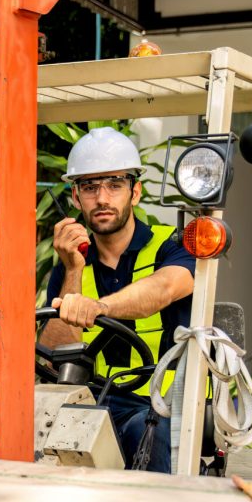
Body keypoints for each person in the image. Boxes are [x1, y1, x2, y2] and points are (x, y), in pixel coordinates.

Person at [42, 126, 195, 473]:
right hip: (94, 404)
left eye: (114, 185)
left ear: (135, 192)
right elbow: (52, 360)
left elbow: (165, 289)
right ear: (76, 198)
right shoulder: (70, 265)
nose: (102, 198)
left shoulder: (173, 246)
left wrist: (100, 308)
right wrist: (72, 271)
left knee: (147, 431)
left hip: (162, 405)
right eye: (90, 187)